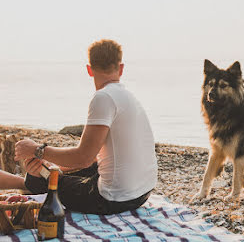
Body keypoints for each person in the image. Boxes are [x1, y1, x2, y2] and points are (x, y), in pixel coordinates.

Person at [14, 39, 157, 214]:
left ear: (89, 70)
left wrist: (37, 150)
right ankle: (51, 172)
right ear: (121, 68)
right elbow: (96, 155)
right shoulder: (128, 97)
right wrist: (52, 164)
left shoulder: (103, 98)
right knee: (55, 171)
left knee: (35, 180)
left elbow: (83, 158)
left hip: (112, 200)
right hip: (142, 192)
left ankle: (40, 177)